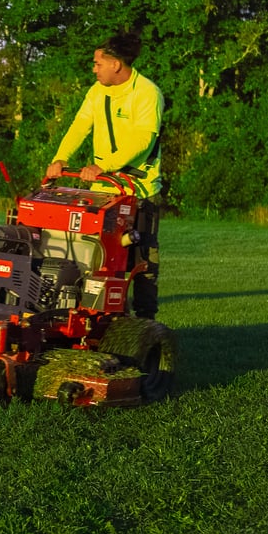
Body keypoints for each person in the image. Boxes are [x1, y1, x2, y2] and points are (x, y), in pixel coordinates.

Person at [45, 32, 164, 320]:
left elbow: (142, 141)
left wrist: (104, 166)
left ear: (116, 65)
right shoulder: (97, 92)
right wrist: (60, 159)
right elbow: (80, 125)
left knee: (142, 259)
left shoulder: (147, 93)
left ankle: (145, 324)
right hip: (104, 191)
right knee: (96, 255)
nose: (94, 68)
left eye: (98, 63)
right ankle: (98, 314)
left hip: (140, 191)